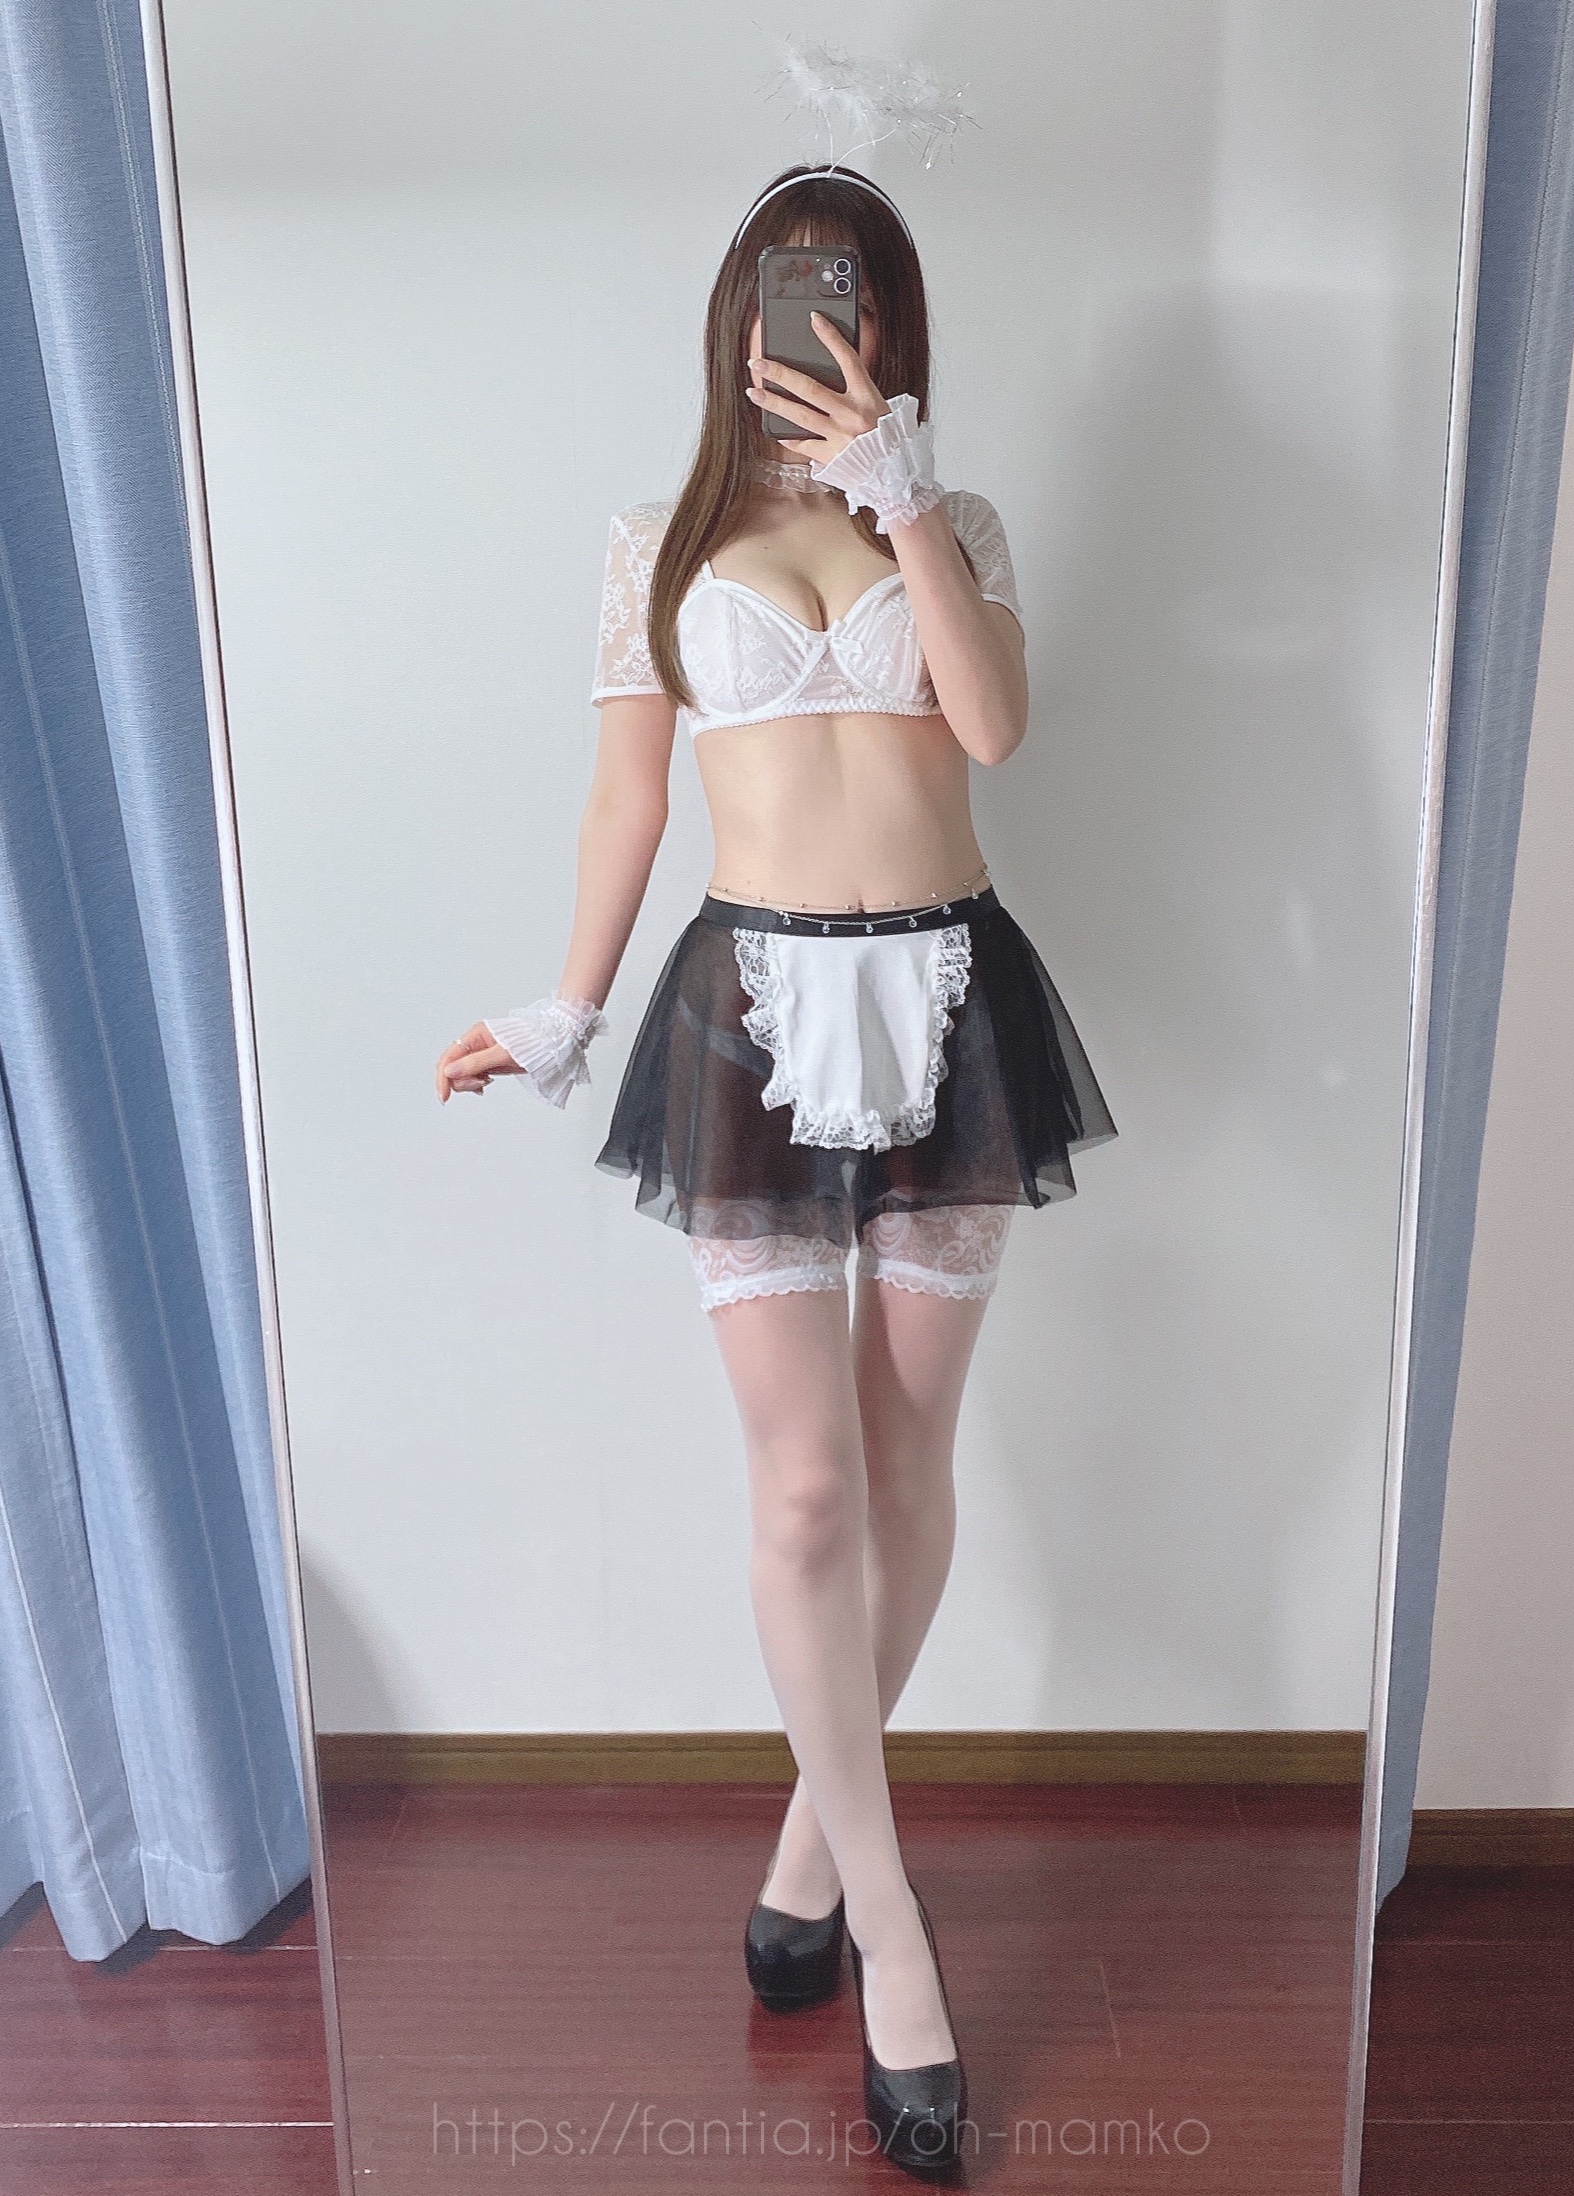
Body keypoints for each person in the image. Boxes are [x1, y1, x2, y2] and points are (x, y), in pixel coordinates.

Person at [435, 164, 1114, 2173]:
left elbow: (991, 726)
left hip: (951, 1005)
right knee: (806, 1486)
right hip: (748, 1020)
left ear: (895, 323)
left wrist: (902, 494)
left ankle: (817, 1839)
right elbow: (623, 800)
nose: (828, 320)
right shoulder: (659, 541)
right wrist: (564, 1009)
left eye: (861, 293)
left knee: (905, 1467)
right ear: (740, 313)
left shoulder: (950, 523)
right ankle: (889, 1929)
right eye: (797, 288)